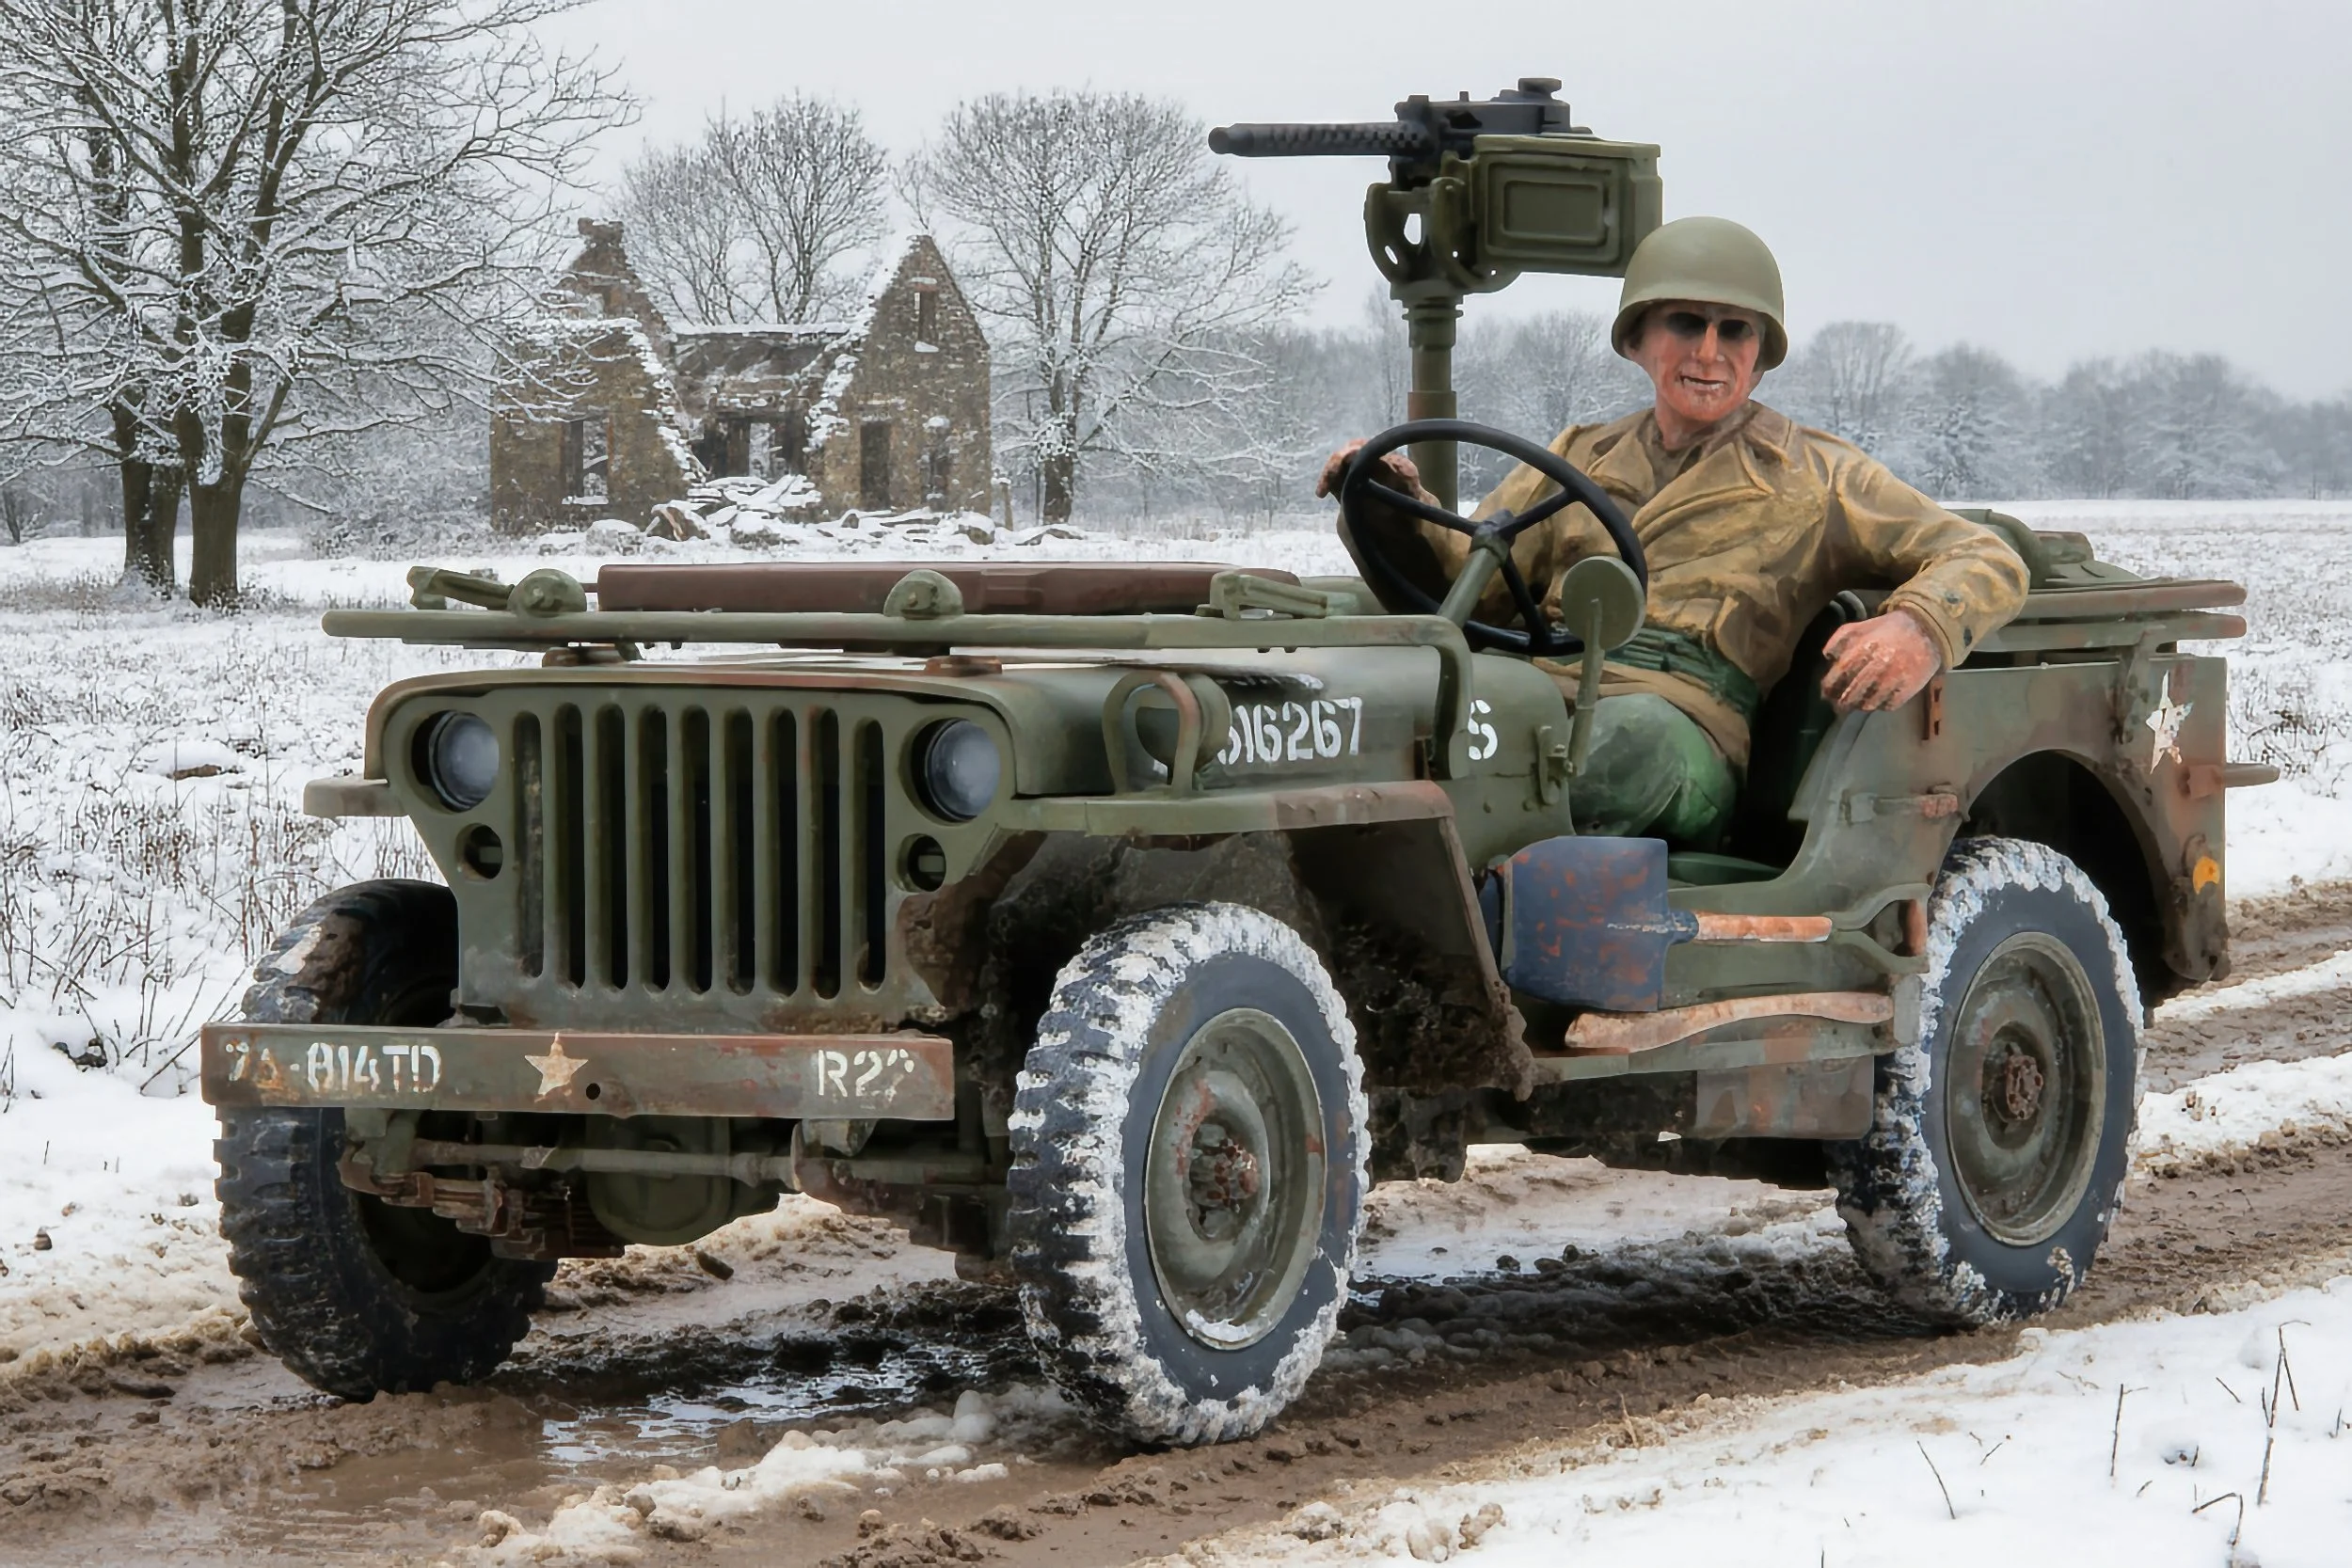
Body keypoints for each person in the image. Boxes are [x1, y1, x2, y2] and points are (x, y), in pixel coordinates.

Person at [1318, 215, 2029, 850]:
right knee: (1388, 717)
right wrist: (1387, 498)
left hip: (1687, 723)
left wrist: (1920, 626)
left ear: (1760, 350)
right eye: (1687, 323)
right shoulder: (1581, 454)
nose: (1710, 352)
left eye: (1736, 330)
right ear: (1640, 338)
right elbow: (1473, 587)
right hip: (1545, 685)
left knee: (1621, 752)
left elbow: (1984, 553)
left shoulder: (1818, 475)